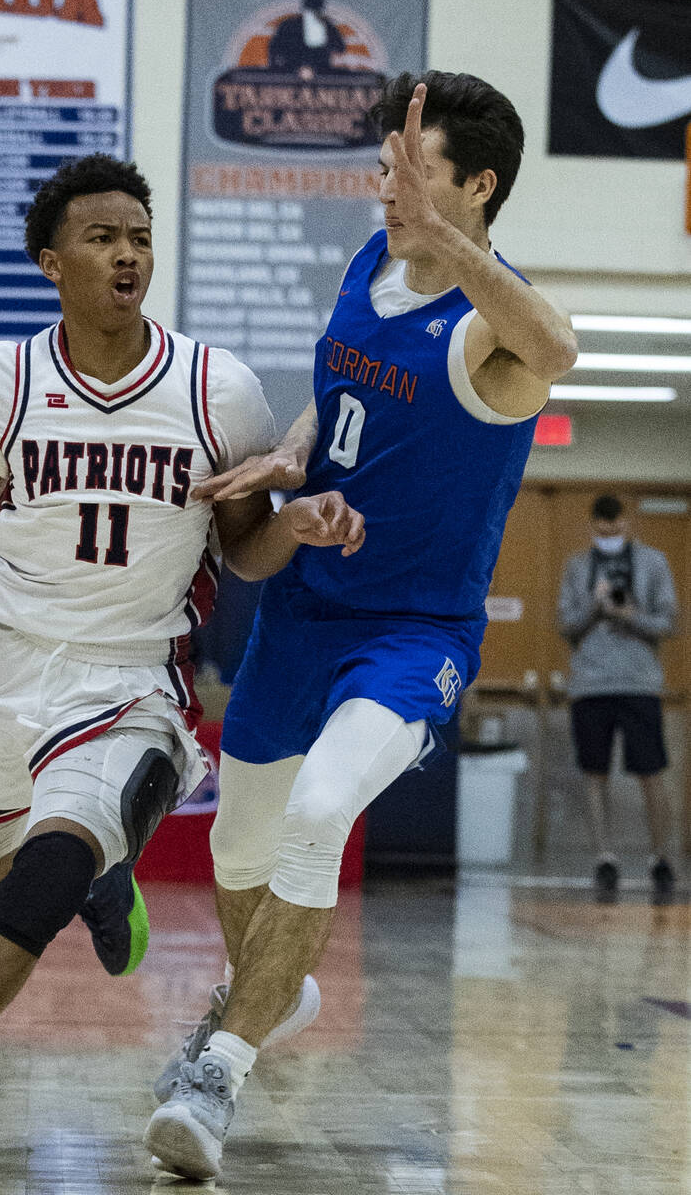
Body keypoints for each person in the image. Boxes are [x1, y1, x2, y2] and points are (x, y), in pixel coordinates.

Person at [0, 153, 365, 1183]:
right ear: (50, 262)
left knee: (40, 876)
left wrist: (300, 526)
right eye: (102, 237)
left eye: (139, 236)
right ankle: (106, 878)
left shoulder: (213, 384)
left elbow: (240, 547)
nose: (127, 253)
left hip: (129, 677)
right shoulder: (2, 374)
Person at [143, 71, 579, 1181]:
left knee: (321, 810)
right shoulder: (364, 266)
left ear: (475, 188)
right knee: (237, 850)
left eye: (410, 173)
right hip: (300, 612)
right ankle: (273, 996)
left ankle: (216, 1072)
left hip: (409, 634)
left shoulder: (494, 336)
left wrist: (454, 244)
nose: (384, 187)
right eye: (383, 166)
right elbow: (337, 389)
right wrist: (294, 452)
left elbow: (559, 349)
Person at [557, 493, 678, 903]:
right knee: (595, 772)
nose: (608, 535)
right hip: (590, 683)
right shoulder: (577, 566)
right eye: (601, 530)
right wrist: (595, 606)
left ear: (627, 523)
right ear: (593, 527)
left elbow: (669, 622)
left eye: (615, 528)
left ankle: (661, 856)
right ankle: (604, 857)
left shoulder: (653, 562)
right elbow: (566, 625)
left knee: (651, 772)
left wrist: (630, 615)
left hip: (640, 682)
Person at [268, 0, 347, 76]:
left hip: (320, 73)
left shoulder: (327, 26)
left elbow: (340, 47)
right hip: (291, 73)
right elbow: (273, 49)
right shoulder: (289, 25)